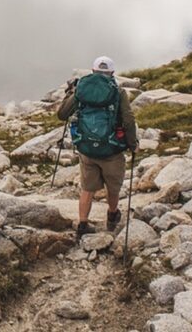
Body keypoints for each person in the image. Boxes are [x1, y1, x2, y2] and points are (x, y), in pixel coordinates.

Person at [57, 56, 137, 239]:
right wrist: (133, 144)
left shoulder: (82, 89)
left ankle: (83, 224)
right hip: (112, 150)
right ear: (112, 73)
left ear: (93, 71)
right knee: (113, 187)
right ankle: (112, 216)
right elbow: (128, 120)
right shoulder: (118, 92)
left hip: (86, 149)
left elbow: (62, 115)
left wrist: (71, 93)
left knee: (87, 188)